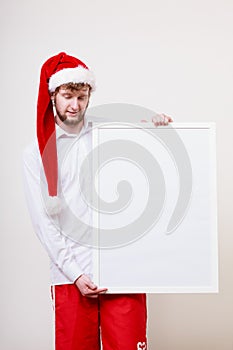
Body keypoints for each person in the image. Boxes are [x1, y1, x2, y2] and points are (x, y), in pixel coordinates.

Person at [23, 52, 173, 350]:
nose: (74, 105)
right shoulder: (35, 154)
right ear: (54, 95)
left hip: (125, 269)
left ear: (89, 95)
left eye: (81, 96)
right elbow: (44, 222)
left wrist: (158, 126)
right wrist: (76, 273)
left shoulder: (110, 133)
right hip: (71, 275)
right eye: (67, 96)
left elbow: (147, 145)